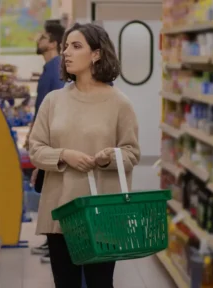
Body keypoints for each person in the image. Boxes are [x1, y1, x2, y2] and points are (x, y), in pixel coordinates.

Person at [27, 23, 140, 288]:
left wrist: (107, 158)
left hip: (101, 213)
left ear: (96, 54)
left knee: (100, 283)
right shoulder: (53, 101)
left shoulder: (119, 103)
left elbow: (131, 153)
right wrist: (64, 155)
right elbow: (36, 149)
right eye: (66, 46)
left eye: (76, 46)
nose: (66, 52)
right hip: (62, 211)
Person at [27, 20, 66, 263]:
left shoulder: (55, 69)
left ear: (52, 43)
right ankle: (50, 242)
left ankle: (55, 244)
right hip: (46, 141)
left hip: (50, 144)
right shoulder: (49, 69)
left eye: (42, 37)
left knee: (51, 191)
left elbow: (48, 111)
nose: (38, 41)